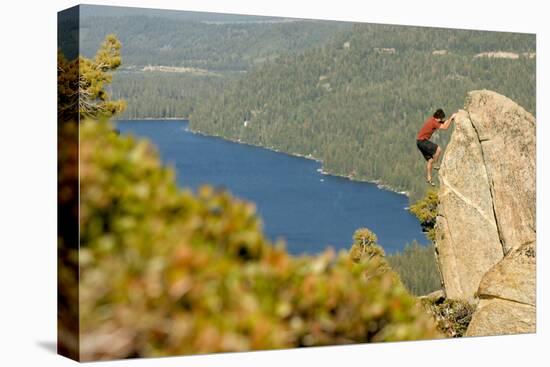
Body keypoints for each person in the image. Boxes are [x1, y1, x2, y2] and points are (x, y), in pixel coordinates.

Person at [416, 109, 457, 186]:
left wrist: (450, 120)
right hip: (423, 141)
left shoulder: (433, 119)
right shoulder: (434, 123)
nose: (441, 120)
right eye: (441, 119)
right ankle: (436, 164)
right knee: (438, 149)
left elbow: (443, 122)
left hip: (419, 142)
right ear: (438, 118)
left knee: (430, 160)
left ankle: (429, 178)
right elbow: (445, 127)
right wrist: (451, 118)